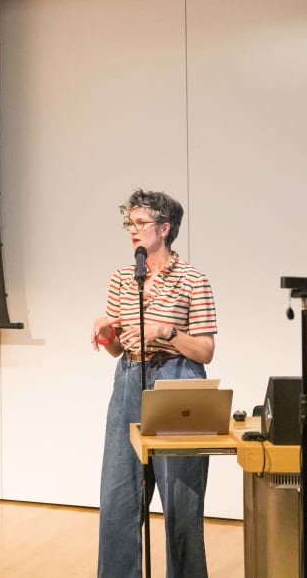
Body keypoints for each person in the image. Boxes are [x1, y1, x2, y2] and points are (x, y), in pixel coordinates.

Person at [91, 189, 218, 578]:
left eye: (141, 223)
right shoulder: (122, 279)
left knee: (181, 499)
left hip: (177, 380)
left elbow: (205, 350)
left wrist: (166, 331)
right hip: (129, 378)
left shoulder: (193, 280)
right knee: (118, 496)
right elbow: (115, 349)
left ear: (164, 229)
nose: (133, 230)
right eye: (130, 223)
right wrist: (106, 333)